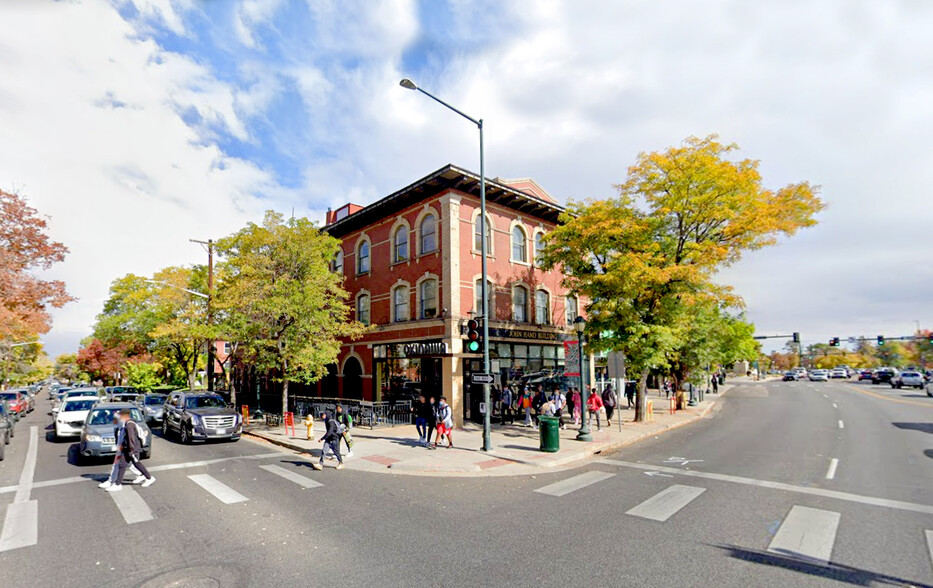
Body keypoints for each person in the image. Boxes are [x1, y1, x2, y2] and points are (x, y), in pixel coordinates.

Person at [108, 409, 155, 492]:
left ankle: (149, 478)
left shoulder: (129, 425)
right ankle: (118, 484)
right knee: (122, 465)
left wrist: (131, 450)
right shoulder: (128, 423)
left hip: (132, 449)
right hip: (128, 449)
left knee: (137, 464)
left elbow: (131, 438)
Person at [99, 415, 143, 489]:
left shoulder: (127, 425)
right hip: (121, 447)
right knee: (125, 463)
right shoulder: (119, 426)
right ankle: (142, 475)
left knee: (118, 464)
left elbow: (129, 438)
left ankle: (112, 481)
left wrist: (130, 449)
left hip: (124, 448)